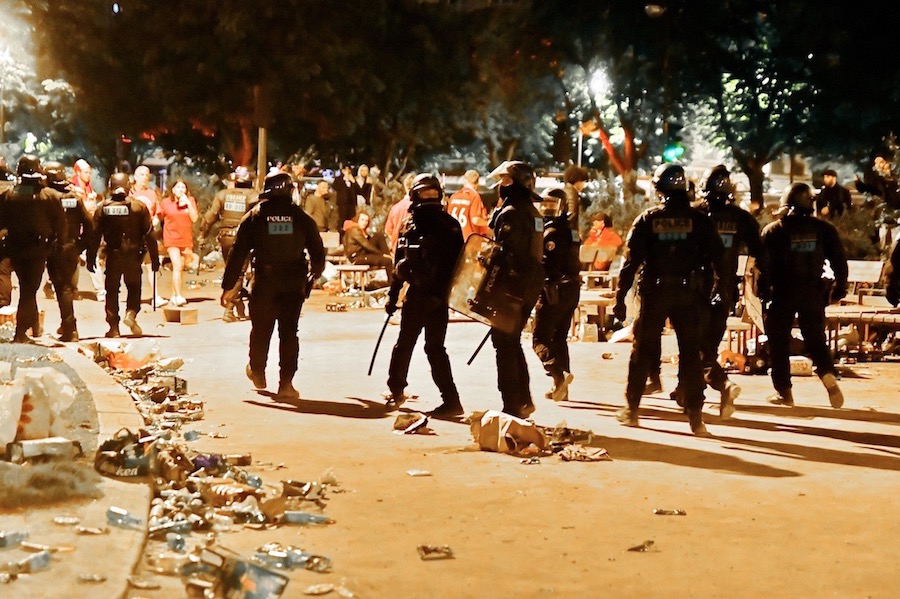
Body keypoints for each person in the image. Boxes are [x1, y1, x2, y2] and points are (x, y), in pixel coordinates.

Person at [613, 164, 725, 436]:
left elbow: (630, 264)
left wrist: (620, 298)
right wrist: (717, 291)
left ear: (659, 188)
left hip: (655, 292)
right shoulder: (700, 220)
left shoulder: (647, 220)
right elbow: (718, 258)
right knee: (690, 354)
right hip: (690, 294)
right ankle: (696, 418)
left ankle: (633, 409)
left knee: (643, 350)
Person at [221, 171, 325, 400]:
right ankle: (286, 383)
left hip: (264, 282)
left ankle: (257, 371)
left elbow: (238, 254)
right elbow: (318, 253)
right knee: (289, 334)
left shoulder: (254, 217)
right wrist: (312, 276)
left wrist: (228, 286)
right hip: (292, 285)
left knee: (261, 331)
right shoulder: (301, 218)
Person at [760, 183, 848, 408]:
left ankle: (784, 392)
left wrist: (762, 293)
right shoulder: (824, 230)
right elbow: (839, 261)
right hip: (812, 292)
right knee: (815, 338)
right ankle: (828, 376)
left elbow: (763, 266)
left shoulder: (774, 230)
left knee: (778, 342)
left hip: (782, 293)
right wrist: (839, 288)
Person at [384, 174, 465, 417]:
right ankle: (449, 399)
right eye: (425, 193)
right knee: (430, 348)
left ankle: (401, 392)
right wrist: (393, 294)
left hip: (426, 296)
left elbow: (400, 265)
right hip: (432, 296)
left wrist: (394, 294)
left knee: (410, 346)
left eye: (431, 193)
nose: (429, 198)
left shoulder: (425, 225)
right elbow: (401, 263)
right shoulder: (444, 225)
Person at [695, 165, 764, 418]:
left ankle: (724, 386)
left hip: (697, 291)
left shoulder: (697, 216)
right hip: (725, 290)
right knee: (709, 345)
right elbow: (759, 251)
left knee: (696, 347)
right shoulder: (741, 218)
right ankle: (689, 392)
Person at [486, 161, 545, 419]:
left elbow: (507, 253)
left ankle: (512, 404)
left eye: (506, 181)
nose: (501, 186)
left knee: (504, 344)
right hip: (530, 284)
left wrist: (488, 261)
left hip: (512, 285)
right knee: (511, 341)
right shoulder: (533, 212)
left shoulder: (511, 212)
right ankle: (523, 399)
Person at [0, 155, 66, 343]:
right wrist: (59, 246)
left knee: (26, 288)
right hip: (37, 249)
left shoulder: (8, 196)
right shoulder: (50, 196)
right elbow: (61, 225)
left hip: (15, 248)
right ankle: (21, 332)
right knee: (29, 290)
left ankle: (32, 327)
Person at [89, 172, 159, 338]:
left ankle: (114, 327)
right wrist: (155, 259)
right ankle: (131, 313)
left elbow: (94, 236)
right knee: (134, 287)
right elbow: (150, 234)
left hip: (113, 256)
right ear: (129, 186)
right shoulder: (139, 207)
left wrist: (92, 256)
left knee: (112, 291)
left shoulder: (103, 208)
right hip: (134, 256)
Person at [532, 188, 581, 402]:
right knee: (560, 337)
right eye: (546, 204)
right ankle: (561, 388)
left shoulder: (550, 233)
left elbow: (546, 264)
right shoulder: (572, 230)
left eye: (553, 204)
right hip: (572, 289)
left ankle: (558, 375)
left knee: (539, 338)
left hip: (554, 290)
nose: (548, 208)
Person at [199, 168, 258, 321]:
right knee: (238, 275)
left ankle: (239, 307)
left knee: (232, 272)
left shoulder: (222, 195)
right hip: (243, 239)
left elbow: (209, 217)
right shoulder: (253, 195)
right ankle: (229, 309)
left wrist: (202, 235)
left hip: (225, 238)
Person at [44, 161, 93, 342]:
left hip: (53, 248)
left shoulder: (46, 197)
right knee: (67, 289)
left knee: (62, 289)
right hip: (71, 248)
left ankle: (70, 329)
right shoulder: (74, 197)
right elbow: (89, 225)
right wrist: (81, 246)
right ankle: (67, 326)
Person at [130, 165, 166, 306]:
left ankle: (155, 296)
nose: (145, 178)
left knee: (151, 264)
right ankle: (133, 298)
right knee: (133, 267)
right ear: (135, 176)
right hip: (133, 235)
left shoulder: (151, 193)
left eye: (147, 175)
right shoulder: (130, 193)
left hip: (148, 233)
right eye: (142, 174)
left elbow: (158, 212)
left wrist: (155, 220)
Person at [159, 179, 199, 306]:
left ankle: (174, 294)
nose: (181, 190)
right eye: (178, 187)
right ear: (173, 190)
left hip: (185, 239)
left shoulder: (190, 201)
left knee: (180, 268)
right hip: (171, 238)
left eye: (183, 188)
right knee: (177, 265)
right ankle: (178, 296)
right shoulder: (166, 202)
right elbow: (158, 217)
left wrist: (188, 203)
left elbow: (194, 218)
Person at [71, 158, 105, 300]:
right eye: (86, 172)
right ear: (78, 172)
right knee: (73, 260)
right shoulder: (72, 187)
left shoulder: (89, 187)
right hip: (74, 229)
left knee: (90, 258)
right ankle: (71, 288)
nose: (88, 175)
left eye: (89, 172)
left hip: (87, 228)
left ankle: (100, 291)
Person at [342, 212, 393, 280]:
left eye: (366, 221)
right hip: (357, 258)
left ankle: (388, 255)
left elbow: (367, 243)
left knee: (379, 236)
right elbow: (366, 245)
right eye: (362, 220)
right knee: (388, 261)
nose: (364, 222)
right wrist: (382, 254)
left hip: (362, 254)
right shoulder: (354, 230)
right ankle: (392, 283)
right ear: (357, 220)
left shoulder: (359, 230)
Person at [446, 169, 490, 240]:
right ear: (477, 182)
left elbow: (448, 219)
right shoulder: (474, 196)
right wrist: (488, 223)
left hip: (455, 238)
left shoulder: (454, 196)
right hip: (469, 240)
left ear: (465, 180)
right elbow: (475, 220)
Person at [384, 173, 416, 252]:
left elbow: (388, 230)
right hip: (415, 250)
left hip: (397, 250)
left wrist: (395, 240)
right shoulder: (419, 207)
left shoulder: (395, 208)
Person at [563, 165, 590, 233]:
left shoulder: (567, 190)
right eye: (583, 181)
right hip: (570, 231)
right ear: (577, 180)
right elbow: (572, 213)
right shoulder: (572, 193)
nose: (584, 185)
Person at [333, 165, 360, 230]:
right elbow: (335, 187)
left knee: (351, 219)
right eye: (345, 170)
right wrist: (344, 179)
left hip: (351, 204)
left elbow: (359, 191)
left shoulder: (353, 179)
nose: (347, 172)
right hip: (342, 204)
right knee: (342, 219)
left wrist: (353, 181)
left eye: (349, 170)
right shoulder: (338, 179)